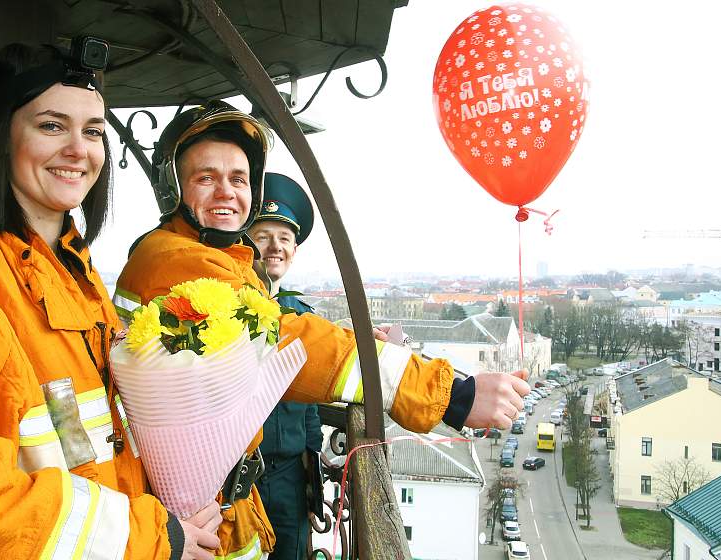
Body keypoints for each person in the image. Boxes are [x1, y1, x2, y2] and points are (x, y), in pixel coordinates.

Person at [114, 100, 531, 559]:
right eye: (205, 178)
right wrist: (450, 394)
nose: (226, 192)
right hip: (195, 510)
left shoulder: (207, 255)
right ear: (174, 188)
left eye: (238, 179)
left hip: (218, 501)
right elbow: (286, 343)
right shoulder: (174, 258)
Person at [0, 41, 221, 559]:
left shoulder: (73, 267)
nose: (79, 150)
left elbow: (88, 437)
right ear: (4, 140)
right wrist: (140, 536)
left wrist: (170, 508)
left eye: (93, 131)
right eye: (52, 126)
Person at [250, 173, 322, 560]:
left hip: (289, 478)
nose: (274, 247)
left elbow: (309, 406)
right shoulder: (223, 308)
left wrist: (313, 483)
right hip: (236, 477)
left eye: (285, 239)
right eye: (263, 237)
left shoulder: (303, 317)